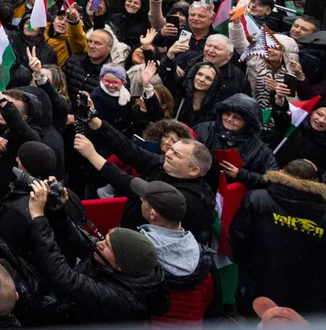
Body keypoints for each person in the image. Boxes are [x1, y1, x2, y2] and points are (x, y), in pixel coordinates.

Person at [24, 179, 170, 321]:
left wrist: (38, 219)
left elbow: (65, 278)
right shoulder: (123, 261)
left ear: (119, 266)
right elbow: (79, 240)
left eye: (107, 246)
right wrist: (58, 209)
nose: (99, 244)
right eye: (105, 239)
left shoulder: (120, 298)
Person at [74, 119, 217, 246]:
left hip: (147, 250)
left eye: (177, 154)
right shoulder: (164, 165)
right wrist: (97, 123)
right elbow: (130, 150)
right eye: (171, 149)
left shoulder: (190, 199)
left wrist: (93, 156)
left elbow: (129, 184)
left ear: (194, 171)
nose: (168, 154)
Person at [229, 160, 326, 317]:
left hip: (259, 288)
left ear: (281, 173)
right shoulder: (258, 199)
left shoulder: (257, 199)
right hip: (307, 299)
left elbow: (237, 240)